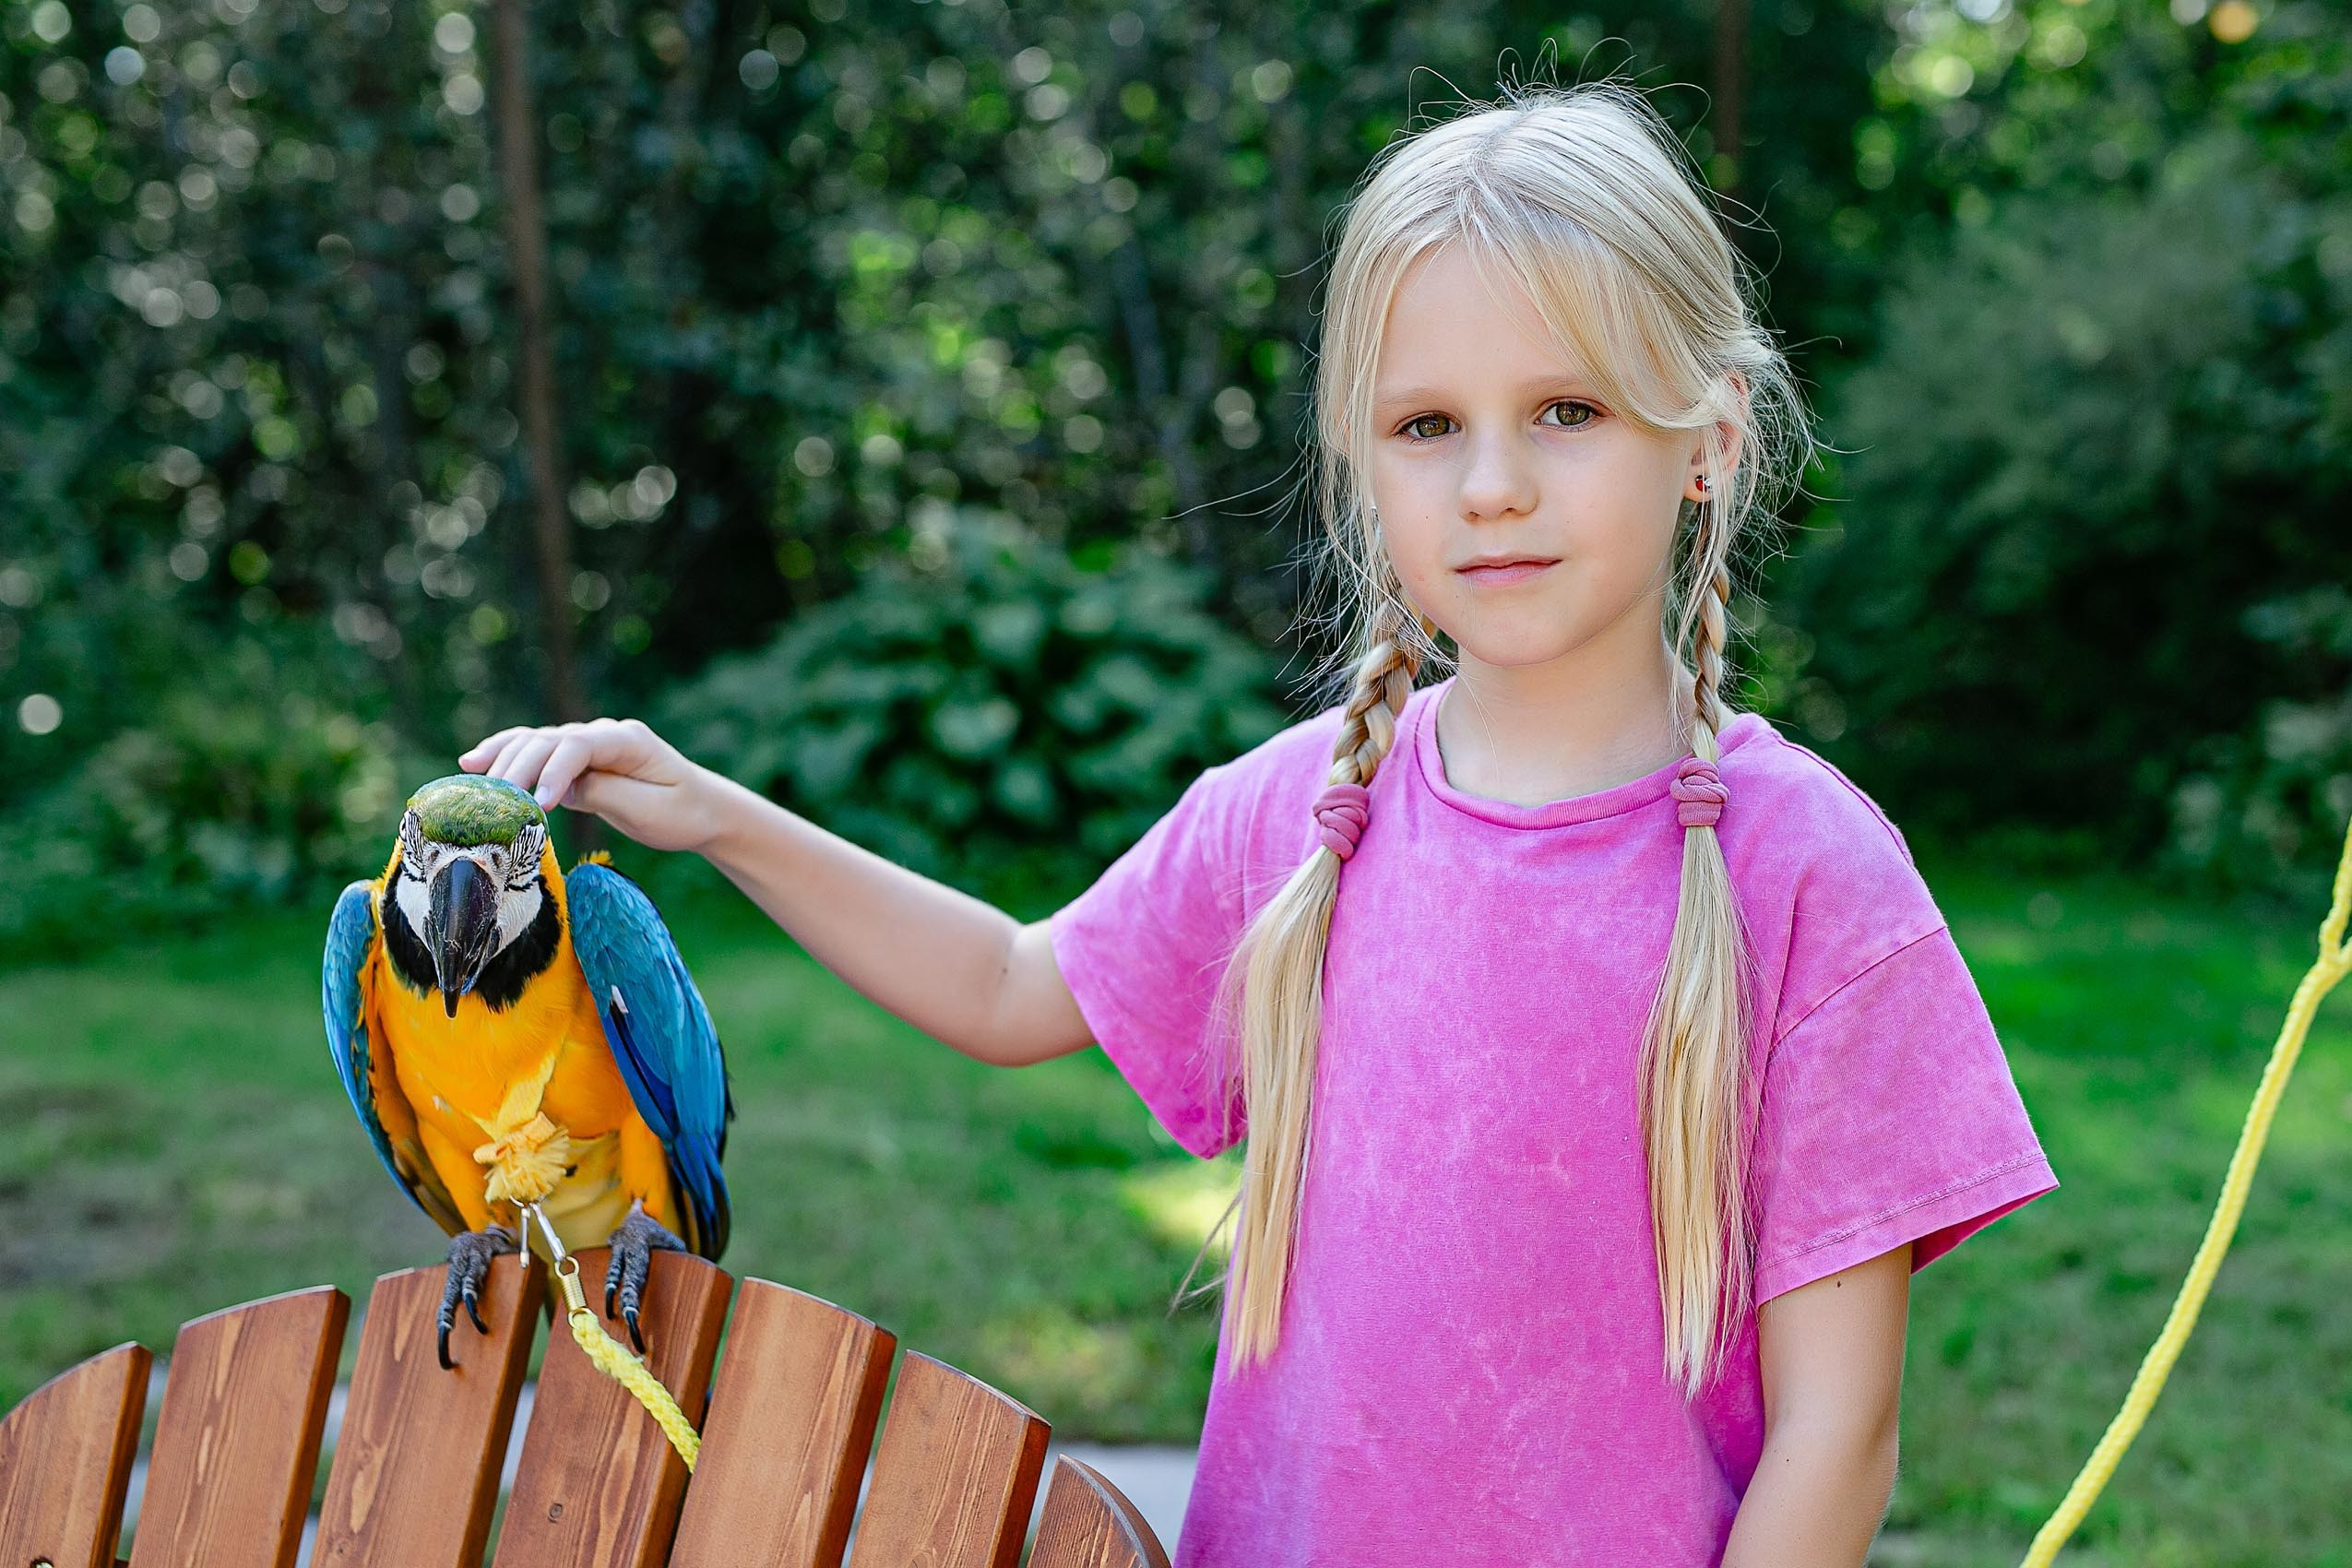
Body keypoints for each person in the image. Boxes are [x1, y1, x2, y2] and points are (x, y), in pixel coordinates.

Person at [461, 78, 2059, 1568]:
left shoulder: (1807, 874)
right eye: (1427, 426)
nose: (1491, 484)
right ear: (1361, 464)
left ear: (1705, 440)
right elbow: (1017, 987)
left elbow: (1838, 1438)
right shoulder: (1313, 812)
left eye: (1566, 409)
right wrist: (721, 816)